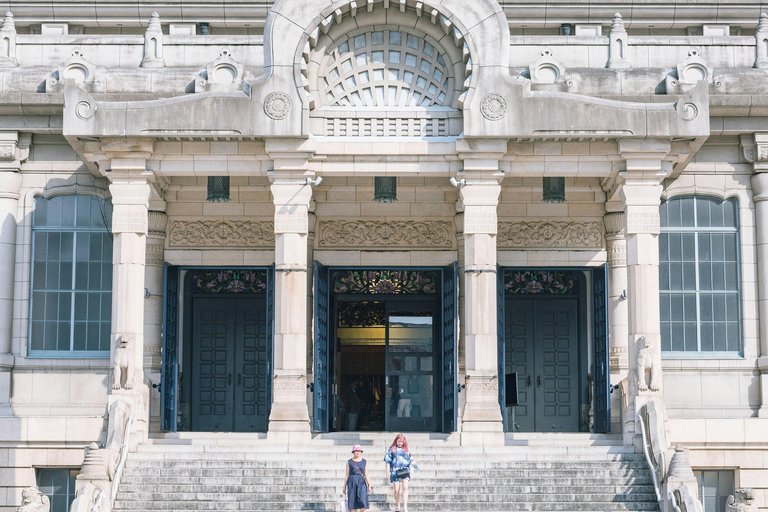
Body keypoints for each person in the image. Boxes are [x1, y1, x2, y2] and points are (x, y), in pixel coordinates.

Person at [383, 433, 413, 512]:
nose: (400, 443)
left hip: (405, 470)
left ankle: (405, 507)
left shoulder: (407, 449)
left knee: (405, 488)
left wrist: (416, 467)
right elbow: (387, 460)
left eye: (401, 441)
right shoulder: (392, 449)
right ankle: (398, 505)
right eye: (398, 441)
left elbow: (411, 459)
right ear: (396, 441)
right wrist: (387, 471)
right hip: (394, 471)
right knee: (396, 490)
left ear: (404, 442)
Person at [344, 444, 372, 512]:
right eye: (356, 451)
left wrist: (369, 485)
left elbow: (366, 474)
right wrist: (344, 486)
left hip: (361, 481)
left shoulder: (364, 461)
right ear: (353, 452)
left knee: (363, 500)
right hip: (352, 481)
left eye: (359, 451)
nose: (357, 452)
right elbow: (347, 475)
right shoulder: (349, 462)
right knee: (352, 501)